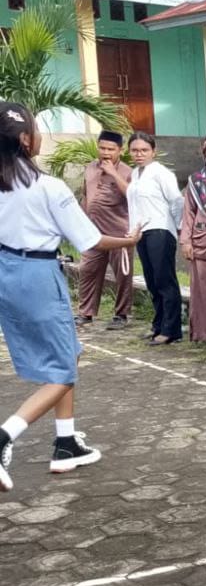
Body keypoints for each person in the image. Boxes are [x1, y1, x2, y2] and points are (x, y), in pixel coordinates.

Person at [0, 102, 141, 490]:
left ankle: (66, 442)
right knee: (63, 370)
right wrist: (130, 239)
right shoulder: (47, 186)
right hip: (37, 275)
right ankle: (5, 436)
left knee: (69, 350)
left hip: (6, 272)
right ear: (27, 139)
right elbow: (90, 239)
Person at [125, 132, 184, 345]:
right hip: (142, 233)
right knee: (151, 280)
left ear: (153, 151)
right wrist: (132, 230)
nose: (139, 154)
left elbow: (177, 201)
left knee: (164, 280)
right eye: (135, 150)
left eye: (144, 150)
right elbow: (134, 206)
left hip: (160, 230)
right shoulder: (135, 174)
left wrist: (178, 228)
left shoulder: (162, 173)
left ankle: (171, 329)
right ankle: (158, 324)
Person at [75, 129, 133, 328]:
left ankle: (122, 315)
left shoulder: (127, 171)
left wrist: (114, 173)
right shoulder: (90, 168)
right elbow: (85, 196)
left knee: (123, 275)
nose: (106, 152)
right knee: (88, 270)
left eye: (111, 149)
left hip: (119, 233)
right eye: (102, 148)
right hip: (92, 232)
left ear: (120, 150)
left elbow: (132, 196)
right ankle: (86, 313)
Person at [179, 146, 206, 345]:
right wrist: (186, 240)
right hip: (202, 240)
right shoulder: (197, 181)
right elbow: (188, 214)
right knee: (204, 289)